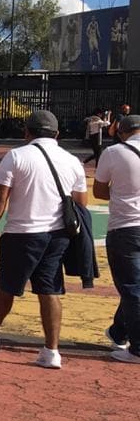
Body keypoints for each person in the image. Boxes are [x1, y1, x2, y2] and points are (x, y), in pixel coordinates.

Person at [0, 110, 87, 369]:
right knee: (50, 290)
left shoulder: (17, 156)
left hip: (22, 233)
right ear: (57, 134)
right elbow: (81, 205)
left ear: (27, 132)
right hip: (57, 236)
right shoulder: (72, 161)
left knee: (7, 288)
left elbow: (1, 196)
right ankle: (51, 351)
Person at [91, 113, 140, 363]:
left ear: (122, 132)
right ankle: (119, 330)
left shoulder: (114, 152)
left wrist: (122, 195)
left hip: (126, 227)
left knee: (131, 287)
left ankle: (137, 348)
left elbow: (99, 191)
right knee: (135, 285)